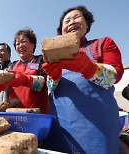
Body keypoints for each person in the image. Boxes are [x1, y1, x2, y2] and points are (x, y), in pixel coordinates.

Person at [42, 5, 124, 153]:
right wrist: (53, 77)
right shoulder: (53, 55)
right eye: (66, 21)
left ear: (87, 24)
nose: (71, 22)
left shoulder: (102, 43)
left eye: (77, 17)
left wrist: (89, 68)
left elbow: (114, 76)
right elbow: (50, 89)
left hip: (97, 125)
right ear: (61, 30)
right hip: (60, 125)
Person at [0, 28, 50, 114]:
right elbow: (7, 88)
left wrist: (25, 80)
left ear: (33, 44)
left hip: (37, 112)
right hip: (15, 112)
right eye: (17, 44)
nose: (20, 46)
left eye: (23, 42)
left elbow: (44, 83)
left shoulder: (40, 60)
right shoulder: (13, 65)